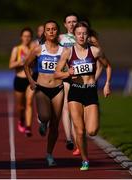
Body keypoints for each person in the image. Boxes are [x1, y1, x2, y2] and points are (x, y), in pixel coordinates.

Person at [55, 22, 112, 170]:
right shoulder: (68, 52)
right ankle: (85, 160)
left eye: (84, 33)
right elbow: (56, 73)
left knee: (92, 131)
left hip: (90, 91)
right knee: (79, 131)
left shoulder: (95, 51)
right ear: (74, 36)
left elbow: (108, 66)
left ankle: (91, 121)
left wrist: (107, 84)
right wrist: (68, 73)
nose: (81, 36)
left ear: (88, 35)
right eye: (79, 33)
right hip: (75, 91)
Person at [24, 20, 64, 167]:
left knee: (55, 124)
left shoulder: (64, 51)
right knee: (45, 115)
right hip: (41, 88)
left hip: (58, 89)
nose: (51, 31)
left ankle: (49, 154)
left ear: (57, 32)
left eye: (54, 29)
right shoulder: (38, 49)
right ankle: (42, 121)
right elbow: (26, 65)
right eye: (48, 29)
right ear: (45, 33)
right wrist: (31, 81)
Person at [9, 27, 34, 137]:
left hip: (30, 80)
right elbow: (11, 65)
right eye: (25, 36)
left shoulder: (34, 49)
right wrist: (21, 61)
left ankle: (28, 127)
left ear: (31, 38)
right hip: (19, 79)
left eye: (29, 36)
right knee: (21, 107)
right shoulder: (17, 49)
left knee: (29, 102)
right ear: (21, 37)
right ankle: (21, 119)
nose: (26, 38)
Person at [59, 13, 79, 152]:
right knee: (66, 107)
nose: (72, 24)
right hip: (66, 76)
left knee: (78, 111)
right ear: (65, 24)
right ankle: (69, 139)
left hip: (81, 77)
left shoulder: (83, 37)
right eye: (69, 22)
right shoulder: (60, 38)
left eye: (74, 21)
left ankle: (78, 140)